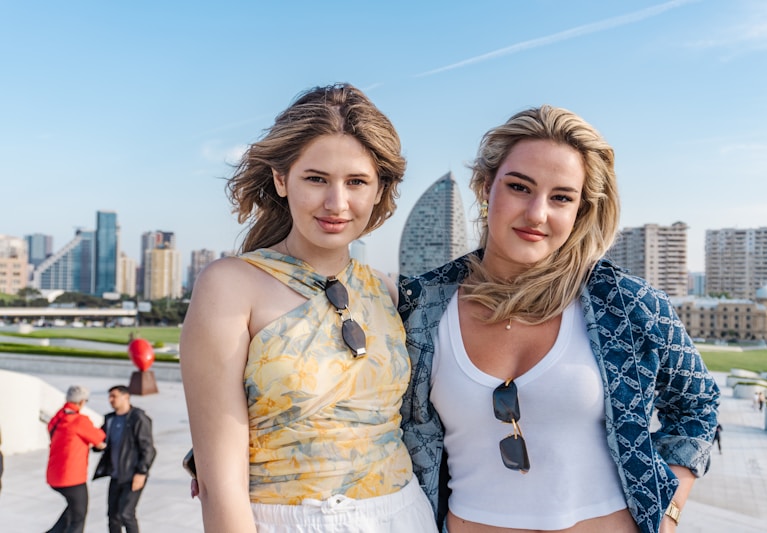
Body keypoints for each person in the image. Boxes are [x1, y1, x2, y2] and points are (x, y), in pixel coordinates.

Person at [398, 105, 721, 533]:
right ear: (485, 185)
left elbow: (697, 405)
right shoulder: (420, 308)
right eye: (519, 187)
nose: (537, 214)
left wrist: (670, 507)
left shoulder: (627, 304)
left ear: (580, 210)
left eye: (561, 197)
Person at [180, 83, 437, 532]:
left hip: (404, 515)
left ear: (380, 190)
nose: (336, 203)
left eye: (356, 182)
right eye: (316, 179)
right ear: (282, 180)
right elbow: (222, 488)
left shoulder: (390, 293)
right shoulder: (230, 286)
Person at [93, 385, 156, 533]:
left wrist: (142, 472)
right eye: (109, 397)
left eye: (114, 396)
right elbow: (100, 441)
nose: (111, 400)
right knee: (112, 516)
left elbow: (149, 449)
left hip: (133, 475)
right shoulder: (110, 419)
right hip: (115, 476)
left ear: (126, 397)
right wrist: (97, 445)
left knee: (126, 514)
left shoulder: (138, 417)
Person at [46, 385, 107, 533]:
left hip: (54, 475)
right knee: (78, 518)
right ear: (82, 402)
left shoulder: (58, 417)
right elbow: (100, 439)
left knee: (72, 510)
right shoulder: (79, 421)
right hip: (72, 478)